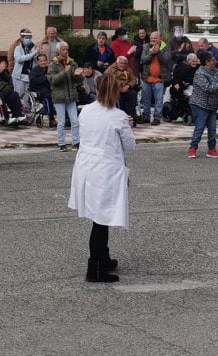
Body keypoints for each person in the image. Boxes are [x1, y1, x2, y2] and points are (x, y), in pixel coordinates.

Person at [68, 74, 135, 283]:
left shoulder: (85, 111)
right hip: (106, 169)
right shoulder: (118, 116)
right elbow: (130, 146)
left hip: (86, 165)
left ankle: (103, 258)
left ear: (97, 90)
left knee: (100, 216)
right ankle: (94, 269)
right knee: (101, 219)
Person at [188, 51, 218, 159]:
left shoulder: (216, 71)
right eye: (212, 60)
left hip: (213, 105)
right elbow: (207, 87)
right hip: (200, 104)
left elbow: (217, 85)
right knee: (200, 127)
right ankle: (192, 148)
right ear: (206, 62)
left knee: (212, 128)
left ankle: (212, 149)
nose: (215, 61)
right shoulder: (200, 73)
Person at [49, 42, 83, 151]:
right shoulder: (53, 63)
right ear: (59, 50)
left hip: (71, 95)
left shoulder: (72, 63)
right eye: (63, 49)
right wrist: (64, 72)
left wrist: (79, 76)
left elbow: (76, 81)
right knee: (61, 122)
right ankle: (61, 143)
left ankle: (76, 142)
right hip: (59, 96)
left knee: (74, 120)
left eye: (67, 49)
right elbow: (52, 80)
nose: (65, 51)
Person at [139, 31, 173, 125]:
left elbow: (166, 60)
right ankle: (146, 116)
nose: (153, 40)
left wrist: (158, 52)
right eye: (151, 38)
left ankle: (157, 117)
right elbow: (143, 60)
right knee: (146, 99)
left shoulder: (166, 47)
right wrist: (151, 53)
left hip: (159, 79)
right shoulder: (145, 47)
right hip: (146, 78)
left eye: (155, 38)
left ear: (159, 38)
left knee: (158, 100)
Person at [105, 56, 138, 123]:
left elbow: (133, 79)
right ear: (117, 63)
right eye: (121, 63)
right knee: (118, 98)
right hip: (114, 90)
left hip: (126, 88)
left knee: (133, 94)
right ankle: (121, 116)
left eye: (124, 63)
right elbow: (105, 80)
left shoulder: (128, 70)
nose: (123, 65)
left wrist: (128, 86)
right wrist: (118, 87)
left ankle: (132, 114)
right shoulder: (110, 69)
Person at [29, 54, 56, 128]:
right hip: (38, 90)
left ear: (47, 61)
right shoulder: (34, 71)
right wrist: (45, 77)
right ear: (38, 62)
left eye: (44, 60)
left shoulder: (49, 69)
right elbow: (34, 81)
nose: (43, 62)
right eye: (41, 61)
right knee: (48, 96)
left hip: (49, 88)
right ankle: (51, 118)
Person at [11, 29, 37, 98]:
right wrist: (33, 54)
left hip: (29, 76)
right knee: (19, 96)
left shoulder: (32, 48)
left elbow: (36, 60)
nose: (28, 39)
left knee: (28, 97)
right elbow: (19, 59)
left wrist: (35, 52)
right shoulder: (18, 48)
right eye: (26, 38)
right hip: (19, 77)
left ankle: (27, 109)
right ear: (21, 38)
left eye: (29, 38)